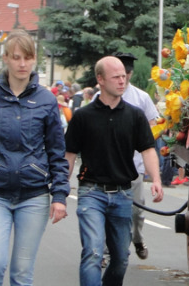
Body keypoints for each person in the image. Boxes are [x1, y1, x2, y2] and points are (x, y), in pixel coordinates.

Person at [0, 29, 69, 286]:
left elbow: (57, 152)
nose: (22, 64)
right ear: (5, 59)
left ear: (34, 58)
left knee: (22, 273)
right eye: (16, 57)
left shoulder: (46, 100)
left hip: (34, 195)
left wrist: (59, 196)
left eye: (27, 57)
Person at [65, 56, 163, 286]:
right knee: (93, 253)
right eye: (116, 77)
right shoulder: (83, 117)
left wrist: (156, 179)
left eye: (123, 76)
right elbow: (68, 156)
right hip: (91, 192)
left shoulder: (135, 115)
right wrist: (60, 193)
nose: (122, 81)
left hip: (122, 194)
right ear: (100, 79)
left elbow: (148, 150)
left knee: (120, 259)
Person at [112, 52, 160, 260]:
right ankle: (109, 248)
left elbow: (153, 124)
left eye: (126, 73)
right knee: (108, 208)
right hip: (108, 165)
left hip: (134, 164)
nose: (123, 78)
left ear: (129, 74)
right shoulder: (100, 97)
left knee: (136, 209)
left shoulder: (141, 97)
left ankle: (138, 238)